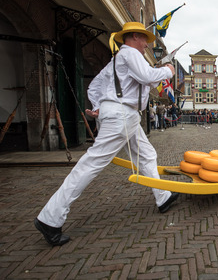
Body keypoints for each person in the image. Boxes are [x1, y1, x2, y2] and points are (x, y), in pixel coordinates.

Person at [34, 22, 179, 246]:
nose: (146, 46)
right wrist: (167, 70)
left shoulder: (116, 62)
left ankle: (163, 197)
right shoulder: (130, 53)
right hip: (123, 115)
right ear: (133, 37)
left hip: (124, 114)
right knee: (90, 165)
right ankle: (50, 218)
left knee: (147, 155)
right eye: (144, 40)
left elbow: (95, 87)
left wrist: (100, 105)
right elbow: (146, 76)